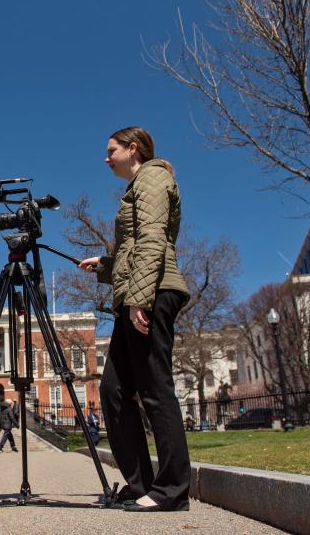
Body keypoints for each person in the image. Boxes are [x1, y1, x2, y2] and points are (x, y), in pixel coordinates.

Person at [79, 127, 191, 512]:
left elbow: (153, 240)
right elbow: (133, 249)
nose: (106, 158)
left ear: (132, 148)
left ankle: (172, 490)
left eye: (111, 150)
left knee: (155, 390)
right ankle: (141, 483)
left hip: (154, 293)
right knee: (112, 391)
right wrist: (106, 266)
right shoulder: (137, 186)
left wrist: (139, 299)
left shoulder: (155, 177)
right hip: (137, 293)